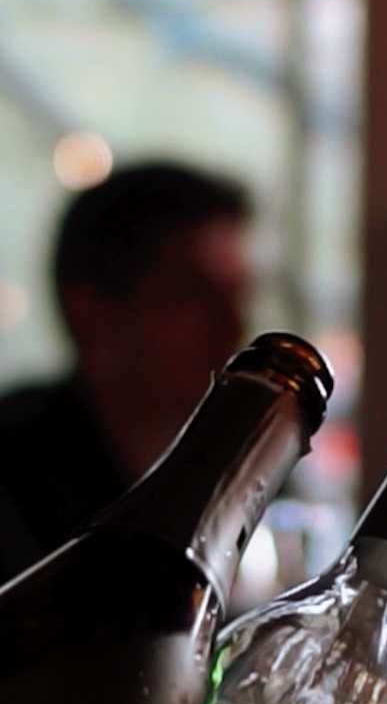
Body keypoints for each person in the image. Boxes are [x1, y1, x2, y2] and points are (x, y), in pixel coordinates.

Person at [0, 161, 252, 584]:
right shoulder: (14, 479)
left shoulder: (245, 471)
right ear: (90, 314)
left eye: (240, 294)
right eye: (195, 294)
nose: (235, 326)